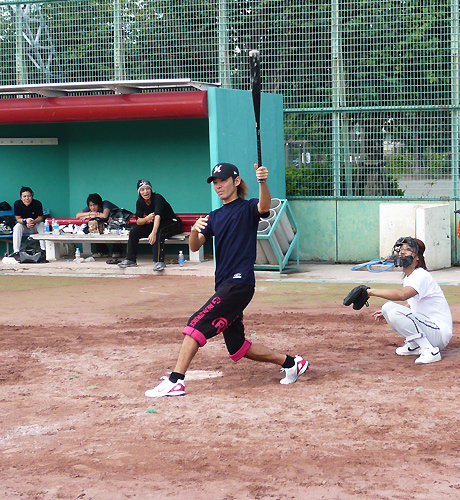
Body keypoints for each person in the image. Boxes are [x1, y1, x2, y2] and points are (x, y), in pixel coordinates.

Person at [145, 162, 309, 398]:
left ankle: (176, 380)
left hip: (239, 283)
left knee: (195, 324)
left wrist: (262, 182)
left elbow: (264, 207)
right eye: (215, 182)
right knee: (237, 347)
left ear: (236, 181)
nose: (218, 185)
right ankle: (292, 363)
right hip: (224, 285)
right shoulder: (214, 216)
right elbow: (195, 245)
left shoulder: (248, 208)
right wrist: (194, 230)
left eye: (223, 180)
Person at [369, 236, 452, 364]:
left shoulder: (421, 275)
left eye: (408, 249)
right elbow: (412, 303)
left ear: (417, 257)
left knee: (390, 308)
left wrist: (370, 292)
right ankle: (415, 345)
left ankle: (430, 350)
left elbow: (402, 295)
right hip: (430, 330)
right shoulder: (410, 277)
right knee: (388, 309)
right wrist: (390, 312)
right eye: (401, 249)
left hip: (438, 333)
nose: (402, 252)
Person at [118, 179, 182, 271]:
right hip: (156, 224)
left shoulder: (158, 198)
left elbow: (158, 216)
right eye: (142, 190)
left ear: (151, 190)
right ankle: (130, 259)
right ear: (139, 192)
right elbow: (139, 221)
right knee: (134, 230)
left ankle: (159, 261)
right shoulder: (140, 202)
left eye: (147, 189)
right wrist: (147, 218)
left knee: (158, 232)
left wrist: (153, 232)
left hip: (172, 223)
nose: (145, 192)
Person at [76, 193, 123, 258]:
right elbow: (78, 215)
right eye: (90, 205)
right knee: (94, 226)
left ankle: (117, 251)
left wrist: (90, 215)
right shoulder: (91, 209)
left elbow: (105, 215)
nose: (93, 207)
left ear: (99, 204)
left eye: (95, 205)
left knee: (115, 230)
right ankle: (102, 251)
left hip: (118, 224)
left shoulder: (106, 204)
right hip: (105, 225)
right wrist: (90, 214)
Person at [13, 186, 46, 254]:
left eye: (29, 196)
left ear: (32, 196)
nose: (27, 198)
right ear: (21, 198)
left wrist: (33, 221)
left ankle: (44, 250)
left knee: (41, 224)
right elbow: (18, 219)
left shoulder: (37, 203)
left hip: (35, 226)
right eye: (24, 196)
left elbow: (40, 218)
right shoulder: (17, 204)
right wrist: (26, 221)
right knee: (17, 226)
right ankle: (16, 251)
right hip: (24, 227)